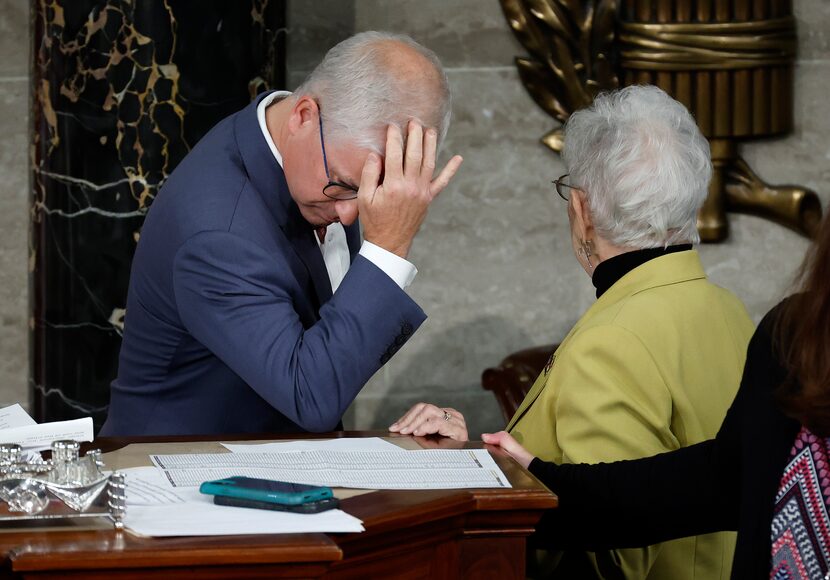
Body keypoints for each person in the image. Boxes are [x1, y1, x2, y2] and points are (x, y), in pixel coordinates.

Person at [391, 86, 754, 579]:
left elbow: (607, 554)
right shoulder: (730, 310)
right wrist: (475, 462)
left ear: (581, 207)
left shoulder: (614, 341)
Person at [100, 32, 463, 436]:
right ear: (303, 116)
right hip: (173, 474)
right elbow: (311, 397)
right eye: (343, 185)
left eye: (375, 191)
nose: (349, 214)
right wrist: (389, 246)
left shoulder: (317, 150)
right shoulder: (218, 235)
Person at [483, 207, 830, 580]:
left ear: (583, 210)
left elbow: (615, 567)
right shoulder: (798, 336)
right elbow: (711, 480)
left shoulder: (611, 339)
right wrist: (532, 479)